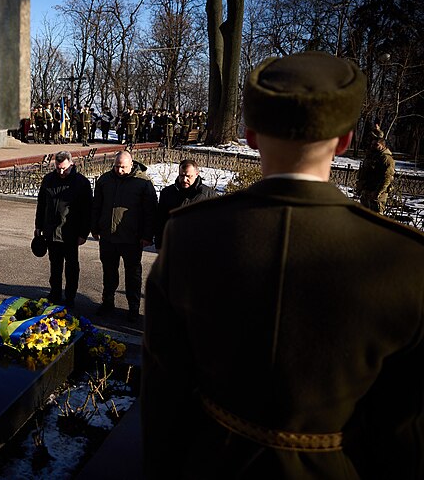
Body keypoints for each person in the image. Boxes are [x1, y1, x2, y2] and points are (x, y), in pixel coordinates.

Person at [141, 51, 424, 479]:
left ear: (251, 135)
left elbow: (164, 393)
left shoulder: (189, 235)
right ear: (345, 140)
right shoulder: (403, 259)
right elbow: (404, 430)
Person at [90, 150, 157, 322]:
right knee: (109, 271)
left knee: (133, 274)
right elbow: (96, 206)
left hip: (132, 238)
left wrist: (147, 235)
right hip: (108, 236)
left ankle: (133, 308)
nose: (119, 170)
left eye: (123, 167)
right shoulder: (105, 180)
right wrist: (95, 227)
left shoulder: (143, 183)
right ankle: (107, 302)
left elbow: (151, 212)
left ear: (131, 164)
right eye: (117, 166)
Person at [34, 151, 93, 307]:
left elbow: (87, 211)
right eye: (58, 168)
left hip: (70, 233)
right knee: (55, 265)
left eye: (64, 169)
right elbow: (41, 205)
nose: (61, 172)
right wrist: (38, 227)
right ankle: (55, 293)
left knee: (72, 267)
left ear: (71, 164)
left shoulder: (81, 183)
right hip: (51, 231)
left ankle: (70, 296)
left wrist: (83, 233)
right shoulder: (48, 180)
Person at [154, 159, 217, 249]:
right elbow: (160, 220)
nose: (184, 179)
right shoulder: (167, 193)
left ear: (196, 174)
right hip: (172, 245)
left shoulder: (208, 195)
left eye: (188, 176)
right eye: (181, 175)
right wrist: (159, 245)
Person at [355, 126, 395, 214]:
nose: (373, 146)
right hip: (366, 192)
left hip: (376, 195)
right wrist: (360, 188)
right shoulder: (371, 156)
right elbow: (363, 173)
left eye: (376, 145)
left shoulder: (386, 159)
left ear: (383, 145)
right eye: (372, 144)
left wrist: (377, 193)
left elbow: (387, 178)